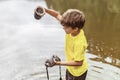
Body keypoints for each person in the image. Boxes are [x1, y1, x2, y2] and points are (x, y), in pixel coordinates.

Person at [36, 7, 88, 80]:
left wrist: (59, 63)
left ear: (75, 29)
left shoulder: (79, 43)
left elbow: (79, 62)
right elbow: (57, 15)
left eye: (66, 27)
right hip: (70, 68)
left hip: (78, 74)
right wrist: (46, 10)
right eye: (63, 25)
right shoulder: (70, 24)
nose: (63, 28)